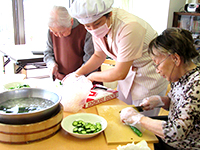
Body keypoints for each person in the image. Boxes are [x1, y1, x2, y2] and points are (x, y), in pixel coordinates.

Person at [68, 0, 169, 116]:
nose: (93, 29)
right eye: (87, 26)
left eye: (97, 24)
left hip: (148, 75)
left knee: (142, 121)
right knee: (122, 113)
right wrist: (77, 74)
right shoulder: (97, 28)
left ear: (109, 14)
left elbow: (120, 73)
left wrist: (90, 77)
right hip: (127, 72)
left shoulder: (130, 26)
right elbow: (98, 56)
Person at [120, 28, 200, 150]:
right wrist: (161, 101)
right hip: (174, 133)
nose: (157, 70)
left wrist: (138, 119)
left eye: (157, 64)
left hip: (184, 144)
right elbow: (179, 105)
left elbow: (176, 132)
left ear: (176, 59)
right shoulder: (180, 77)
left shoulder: (196, 85)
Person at [43, 6, 95, 81]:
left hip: (84, 80)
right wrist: (51, 64)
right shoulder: (50, 32)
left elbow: (91, 62)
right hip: (61, 80)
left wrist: (75, 77)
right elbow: (48, 53)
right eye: (55, 33)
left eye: (62, 32)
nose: (59, 36)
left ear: (71, 22)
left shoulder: (86, 30)